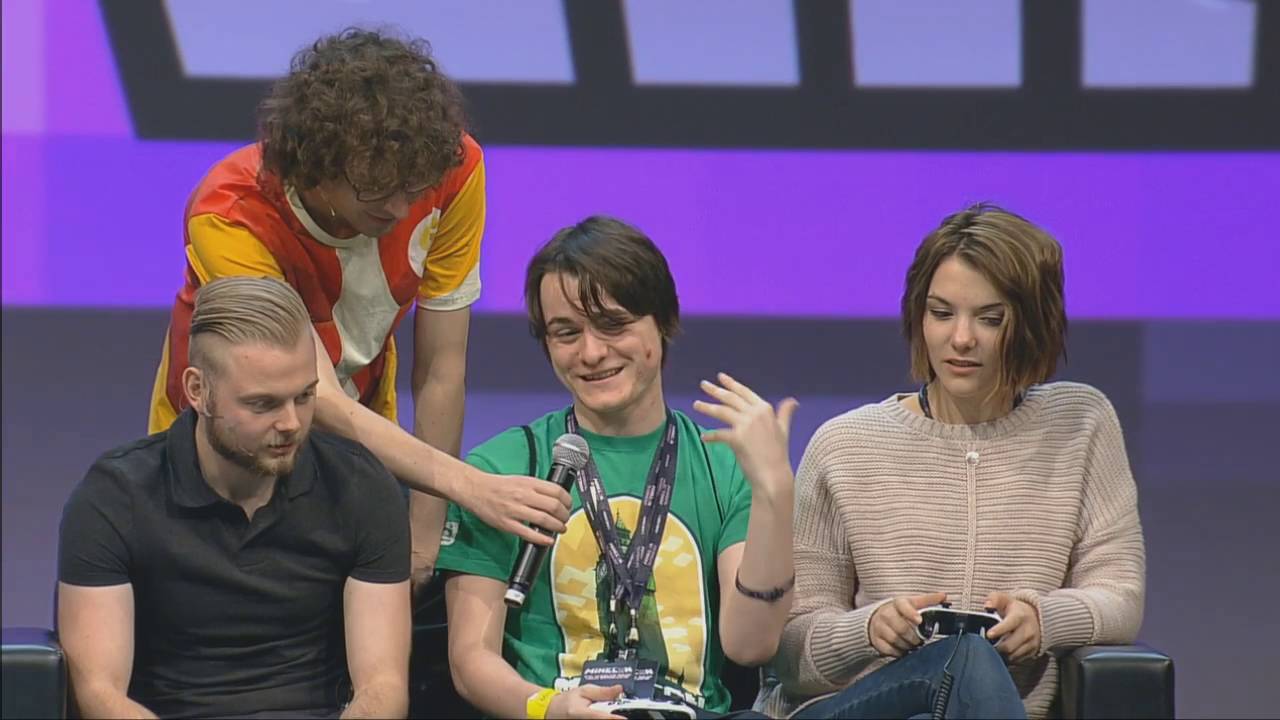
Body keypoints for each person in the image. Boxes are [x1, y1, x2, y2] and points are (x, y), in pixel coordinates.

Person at [146, 28, 570, 592]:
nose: (398, 208)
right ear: (316, 165)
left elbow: (441, 368)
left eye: (410, 189)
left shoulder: (452, 169)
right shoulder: (230, 213)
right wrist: (469, 486)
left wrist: (424, 538)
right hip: (222, 449)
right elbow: (307, 391)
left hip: (360, 434)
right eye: (375, 188)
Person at [759, 203, 1146, 719]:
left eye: (990, 319)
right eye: (942, 313)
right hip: (855, 708)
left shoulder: (1081, 423)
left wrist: (1043, 619)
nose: (961, 338)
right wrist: (867, 630)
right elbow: (791, 653)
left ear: (1033, 323)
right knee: (963, 657)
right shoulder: (845, 444)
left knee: (962, 675)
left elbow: (1119, 597)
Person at [436, 216, 797, 718]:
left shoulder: (725, 467)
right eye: (566, 332)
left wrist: (775, 490)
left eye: (613, 325)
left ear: (662, 321)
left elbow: (750, 644)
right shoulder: (502, 468)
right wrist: (552, 710)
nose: (591, 352)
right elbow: (471, 662)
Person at [59, 277, 411, 718]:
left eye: (304, 396)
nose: (291, 423)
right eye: (263, 404)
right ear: (197, 391)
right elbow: (99, 693)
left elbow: (383, 687)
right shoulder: (114, 498)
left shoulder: (360, 487)